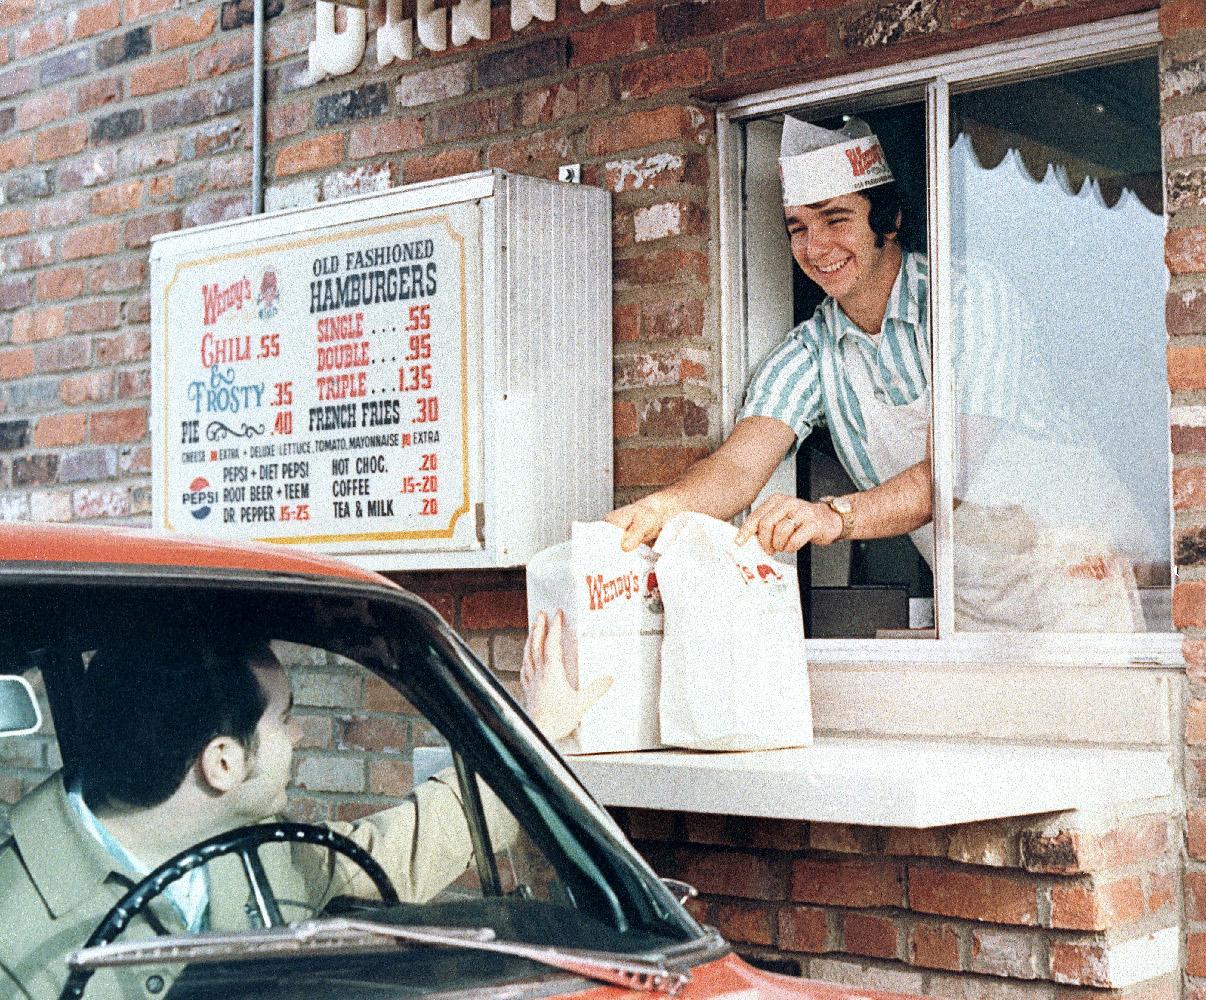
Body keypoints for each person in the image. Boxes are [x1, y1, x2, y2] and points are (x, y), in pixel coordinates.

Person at [0, 632, 562, 1000]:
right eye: (284, 718)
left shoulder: (265, 850)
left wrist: (534, 735)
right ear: (224, 762)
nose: (299, 734)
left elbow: (399, 850)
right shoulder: (11, 923)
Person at [608, 116, 933, 562]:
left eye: (835, 219)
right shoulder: (813, 349)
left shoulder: (960, 303)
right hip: (960, 587)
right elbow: (739, 467)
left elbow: (960, 470)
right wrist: (658, 510)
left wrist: (833, 517)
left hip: (1039, 557)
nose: (815, 248)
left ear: (889, 220)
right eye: (798, 229)